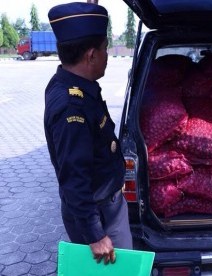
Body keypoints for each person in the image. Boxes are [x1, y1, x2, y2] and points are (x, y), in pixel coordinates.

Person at [44, 2, 132, 265]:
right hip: (99, 212)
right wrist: (95, 235)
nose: (107, 55)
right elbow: (73, 178)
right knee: (117, 269)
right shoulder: (73, 107)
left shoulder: (71, 84)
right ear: (91, 55)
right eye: (105, 49)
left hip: (106, 204)